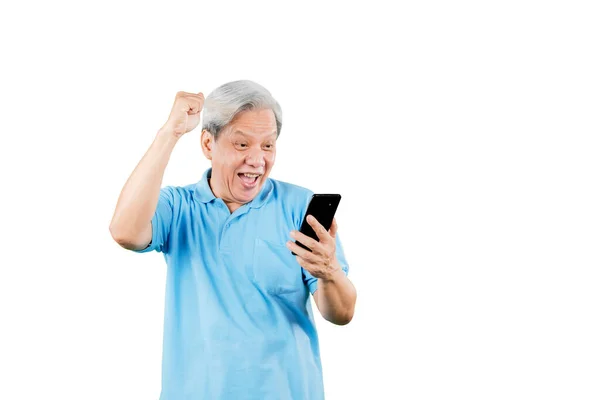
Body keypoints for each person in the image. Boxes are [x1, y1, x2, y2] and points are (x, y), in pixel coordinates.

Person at [109, 80, 357, 399]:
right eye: (242, 145)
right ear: (208, 145)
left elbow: (342, 313)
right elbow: (124, 232)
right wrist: (169, 133)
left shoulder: (298, 206)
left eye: (267, 145)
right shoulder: (179, 207)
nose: (257, 160)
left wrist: (329, 273)